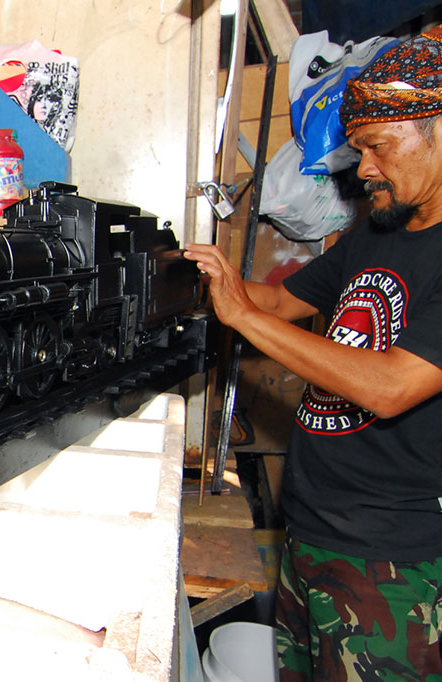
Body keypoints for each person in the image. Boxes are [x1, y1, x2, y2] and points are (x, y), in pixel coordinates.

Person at [184, 25, 442, 681]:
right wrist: (218, 280)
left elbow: (391, 387)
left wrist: (241, 314)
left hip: (392, 562)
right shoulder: (380, 231)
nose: (365, 169)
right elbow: (282, 303)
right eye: (360, 150)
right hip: (315, 530)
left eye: (378, 146)